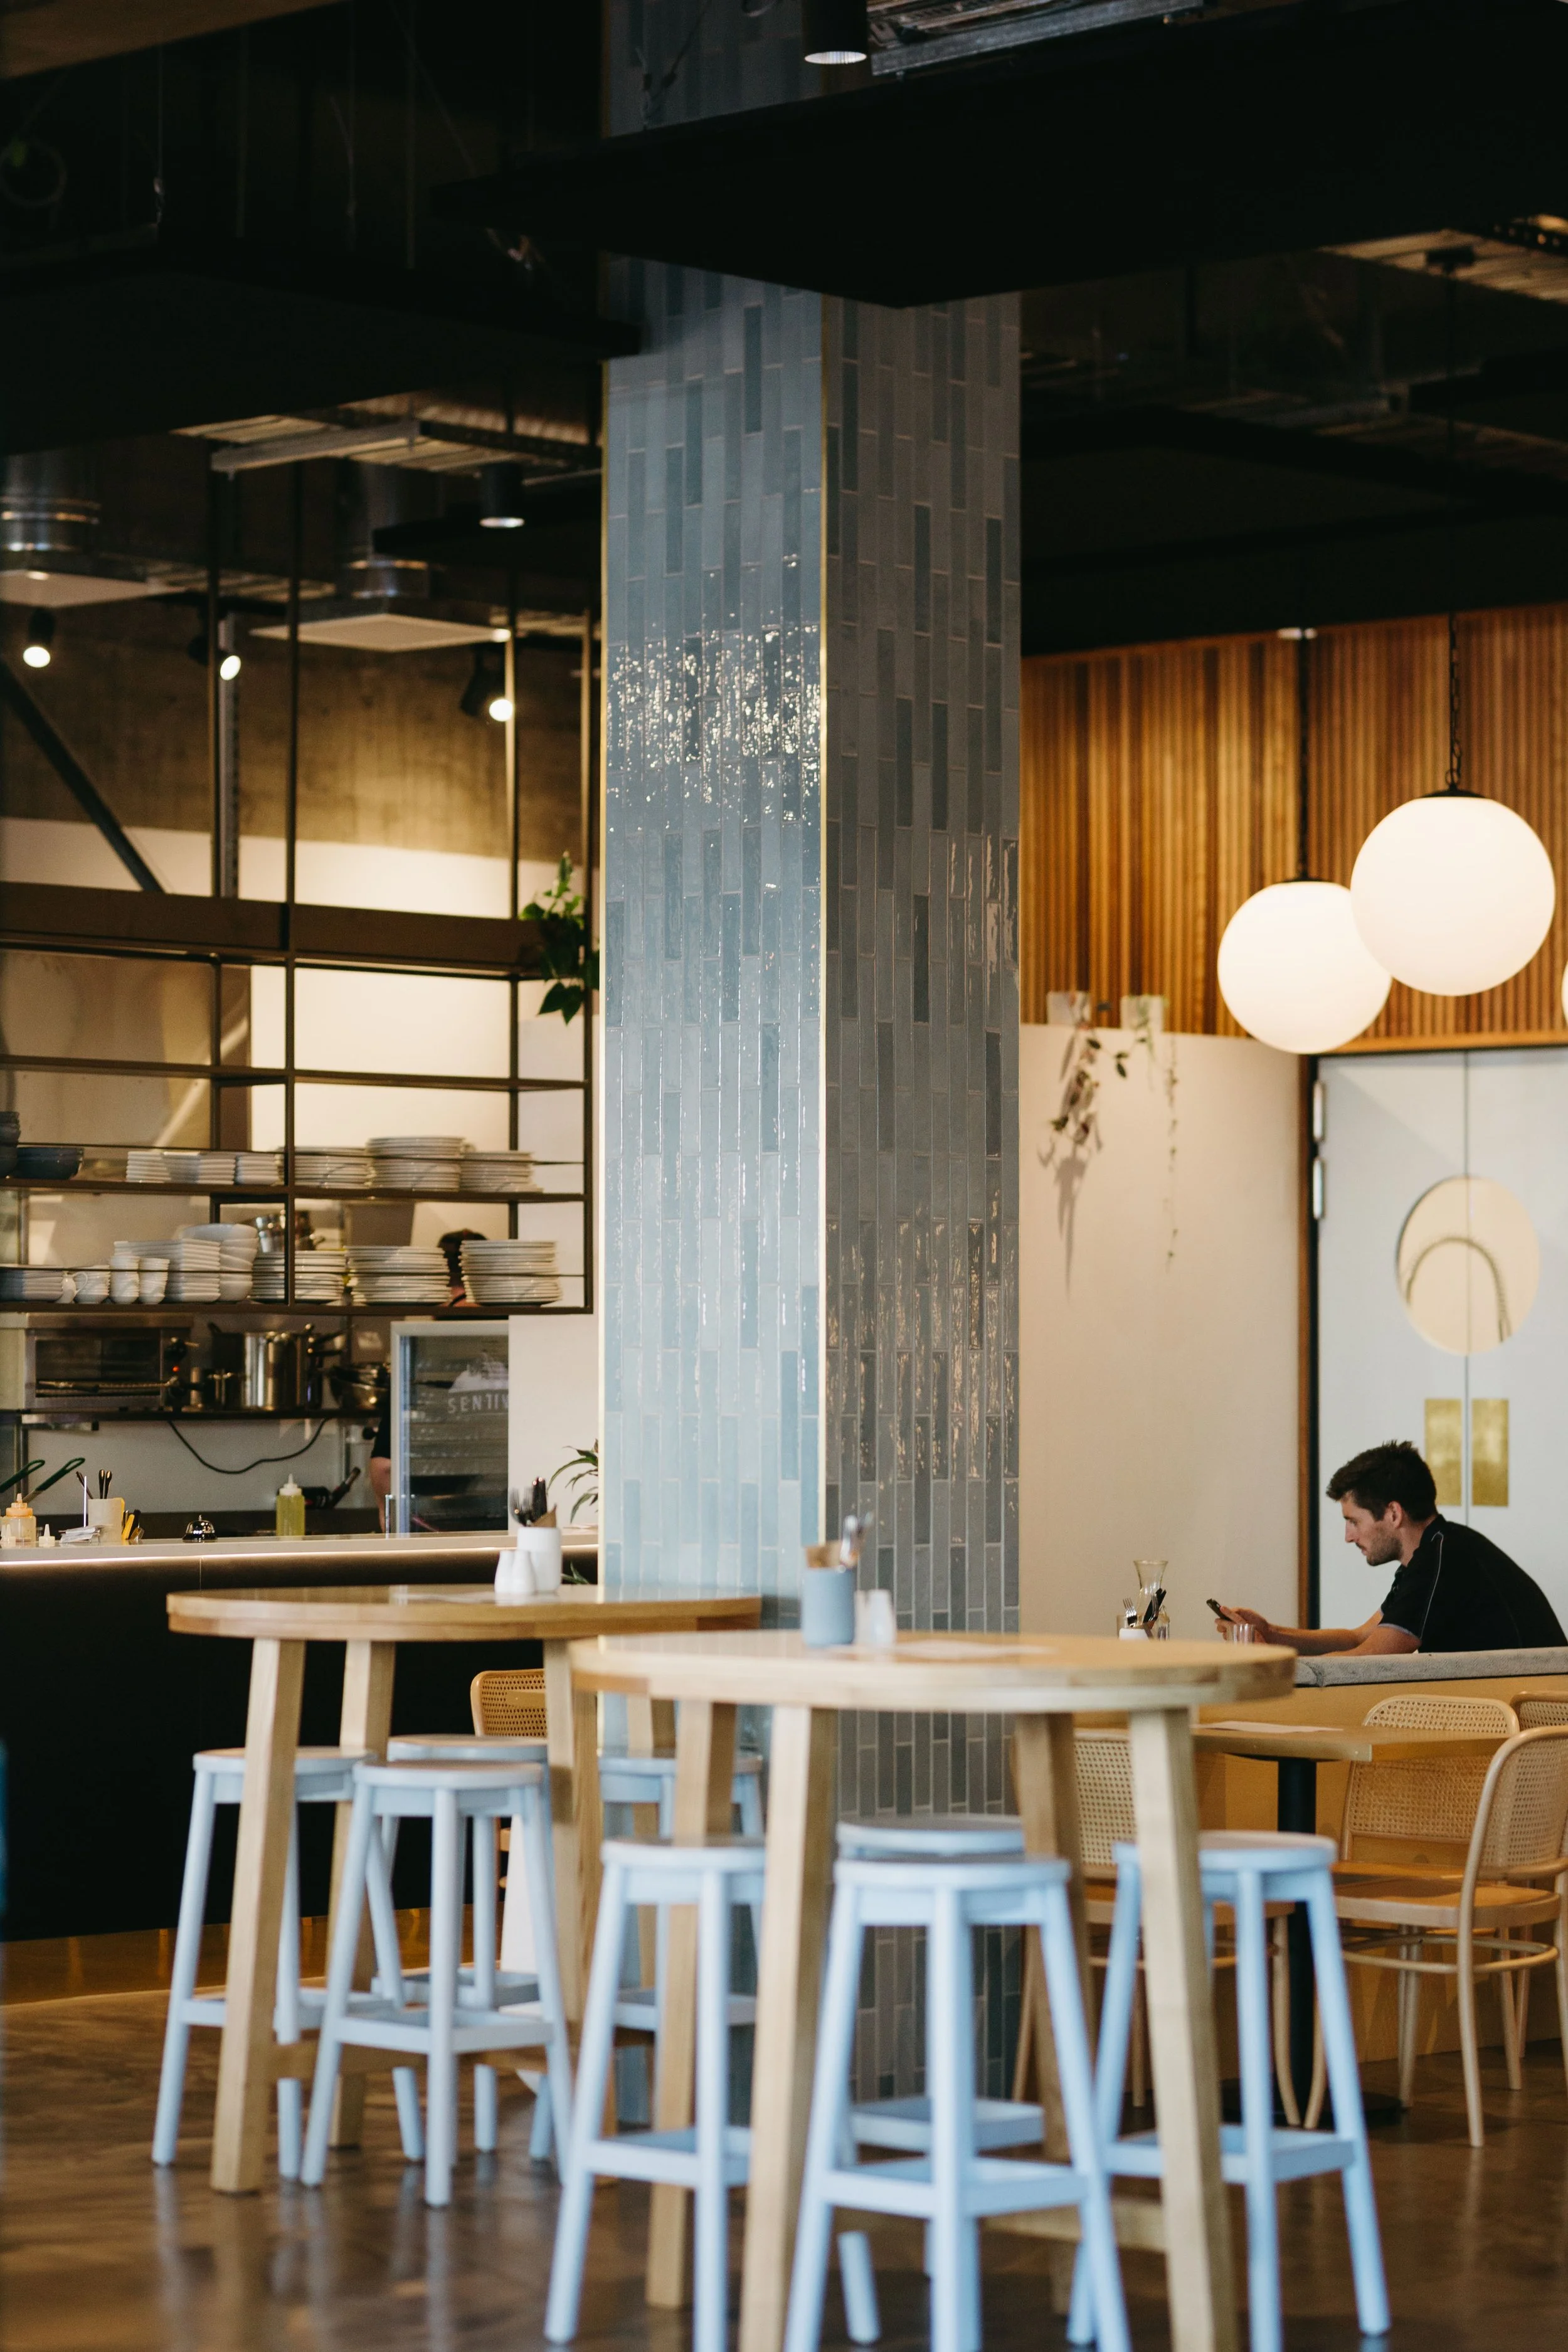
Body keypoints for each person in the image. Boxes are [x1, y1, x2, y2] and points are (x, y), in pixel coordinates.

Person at [1217, 1438, 1566, 1656]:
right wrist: (1270, 1633)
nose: (1348, 1537)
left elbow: (1368, 1661)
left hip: (1538, 1730)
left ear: (1394, 1513)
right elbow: (1361, 1638)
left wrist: (1270, 1664)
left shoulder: (1443, 1558)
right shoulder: (1431, 1553)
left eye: (1354, 1521)